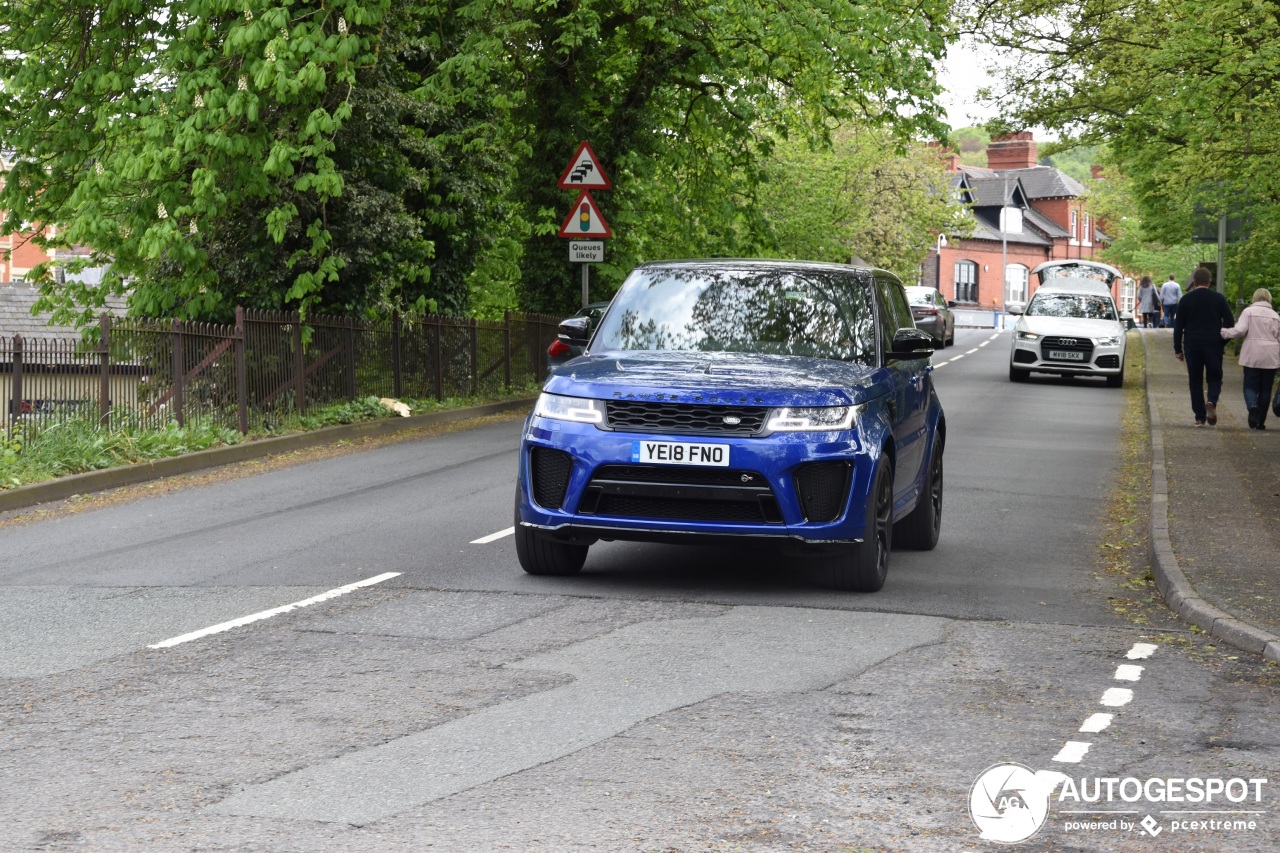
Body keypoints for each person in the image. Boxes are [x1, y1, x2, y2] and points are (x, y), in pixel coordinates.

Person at [1174, 267, 1234, 426]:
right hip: (1213, 344)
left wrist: (1178, 349)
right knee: (1215, 376)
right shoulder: (1219, 299)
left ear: (1194, 282)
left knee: (1195, 380)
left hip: (1192, 344)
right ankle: (1212, 401)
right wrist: (1222, 342)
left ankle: (1200, 417)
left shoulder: (1186, 300)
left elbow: (1178, 326)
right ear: (1209, 282)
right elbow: (1229, 323)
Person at [1220, 288, 1280, 429]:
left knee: (1250, 385)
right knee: (1266, 389)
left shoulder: (1248, 312)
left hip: (1252, 354)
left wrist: (1223, 332)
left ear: (1254, 298)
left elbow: (1240, 330)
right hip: (1271, 356)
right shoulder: (1275, 316)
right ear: (1269, 299)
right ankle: (1260, 422)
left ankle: (1252, 406)